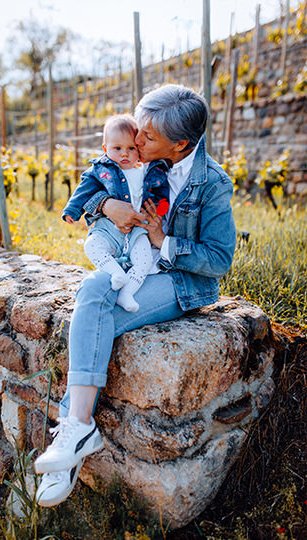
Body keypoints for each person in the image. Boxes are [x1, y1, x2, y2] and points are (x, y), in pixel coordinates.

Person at [34, 84, 236, 507]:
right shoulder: (138, 156)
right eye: (138, 130)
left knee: (95, 320)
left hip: (177, 279)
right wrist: (106, 205)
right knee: (92, 287)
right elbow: (98, 185)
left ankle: (70, 438)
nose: (136, 141)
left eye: (146, 137)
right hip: (131, 264)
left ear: (180, 144)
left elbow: (219, 260)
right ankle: (79, 430)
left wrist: (164, 242)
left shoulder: (212, 183)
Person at [61, 114, 170, 312]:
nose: (124, 154)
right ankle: (115, 271)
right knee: (92, 246)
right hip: (107, 227)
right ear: (105, 149)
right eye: (117, 148)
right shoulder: (101, 170)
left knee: (144, 260)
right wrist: (72, 210)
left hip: (137, 229)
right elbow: (84, 190)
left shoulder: (148, 171)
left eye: (131, 148)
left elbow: (160, 190)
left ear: (139, 148)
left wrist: (162, 205)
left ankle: (126, 293)